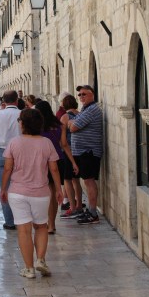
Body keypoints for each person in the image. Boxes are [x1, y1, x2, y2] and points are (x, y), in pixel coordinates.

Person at [1, 109, 62, 278]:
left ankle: (29, 269)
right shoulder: (46, 143)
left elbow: (7, 168)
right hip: (40, 192)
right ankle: (40, 259)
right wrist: (59, 189)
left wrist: (3, 189)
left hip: (18, 192)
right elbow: (54, 169)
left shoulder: (14, 143)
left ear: (23, 124)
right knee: (41, 226)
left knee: (24, 230)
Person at [35, 100, 74, 234]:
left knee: (45, 194)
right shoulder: (59, 125)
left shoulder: (37, 127)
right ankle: (52, 224)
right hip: (58, 160)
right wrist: (73, 161)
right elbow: (64, 144)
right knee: (54, 193)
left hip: (42, 162)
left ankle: (46, 222)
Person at [68, 85, 105, 225]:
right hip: (84, 152)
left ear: (92, 95)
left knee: (89, 181)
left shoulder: (92, 110)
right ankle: (91, 211)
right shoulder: (86, 110)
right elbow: (74, 124)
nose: (82, 97)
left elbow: (73, 127)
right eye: (80, 95)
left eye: (84, 94)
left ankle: (93, 213)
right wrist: (73, 123)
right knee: (87, 181)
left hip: (89, 152)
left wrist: (72, 123)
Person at [0, 90, 22, 229]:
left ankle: (9, 221)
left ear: (4, 100)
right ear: (16, 100)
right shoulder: (23, 114)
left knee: (5, 187)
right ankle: (22, 219)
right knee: (22, 186)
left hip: (3, 152)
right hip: (20, 151)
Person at [58, 95, 83, 217]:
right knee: (76, 180)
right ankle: (79, 206)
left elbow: (63, 141)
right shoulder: (80, 114)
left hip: (68, 152)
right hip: (79, 151)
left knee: (67, 180)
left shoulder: (65, 117)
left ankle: (72, 207)